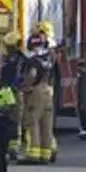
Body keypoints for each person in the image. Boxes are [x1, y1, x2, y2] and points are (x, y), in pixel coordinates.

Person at [21, 21, 57, 164]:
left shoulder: (34, 60)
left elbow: (32, 74)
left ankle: (33, 154)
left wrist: (25, 86)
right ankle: (46, 154)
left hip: (36, 90)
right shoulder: (49, 56)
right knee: (46, 124)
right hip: (48, 90)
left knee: (32, 121)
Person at [0, 31, 26, 158]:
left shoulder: (23, 60)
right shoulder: (4, 59)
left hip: (16, 92)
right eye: (8, 46)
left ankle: (14, 147)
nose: (9, 49)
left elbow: (24, 76)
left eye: (11, 46)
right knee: (3, 119)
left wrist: (18, 86)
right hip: (3, 92)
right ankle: (3, 145)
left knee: (15, 119)